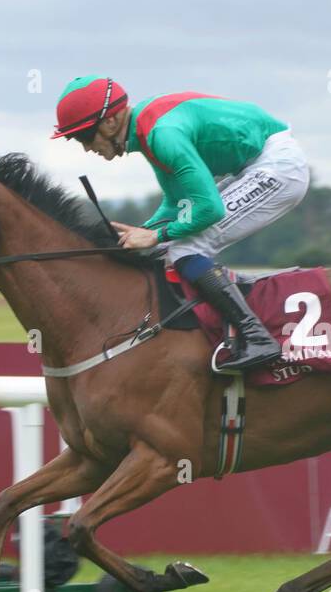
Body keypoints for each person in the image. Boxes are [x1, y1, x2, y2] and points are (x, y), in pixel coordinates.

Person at [52, 76, 311, 372]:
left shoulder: (162, 135)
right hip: (258, 162)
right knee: (173, 245)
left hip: (278, 166)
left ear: (110, 122)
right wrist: (139, 234)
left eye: (85, 136)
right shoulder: (148, 130)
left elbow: (208, 209)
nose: (87, 149)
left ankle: (257, 337)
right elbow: (177, 204)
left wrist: (155, 236)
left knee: (187, 247)